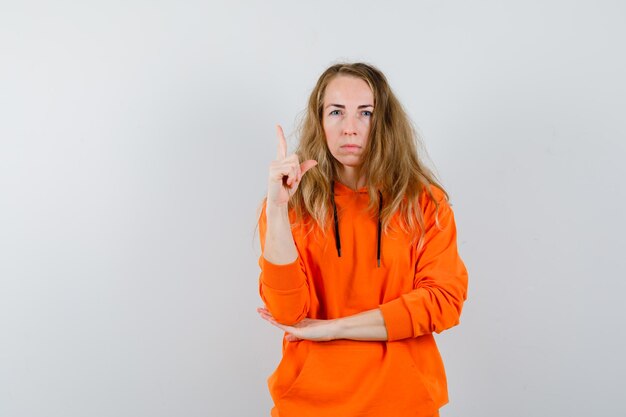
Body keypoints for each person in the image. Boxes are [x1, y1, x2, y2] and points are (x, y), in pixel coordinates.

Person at [255, 62, 468, 417]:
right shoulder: (290, 205)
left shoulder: (424, 202)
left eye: (365, 113)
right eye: (336, 112)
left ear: (383, 120)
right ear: (320, 121)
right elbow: (288, 313)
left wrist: (333, 329)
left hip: (404, 404)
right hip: (309, 406)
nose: (350, 129)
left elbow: (443, 301)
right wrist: (276, 210)